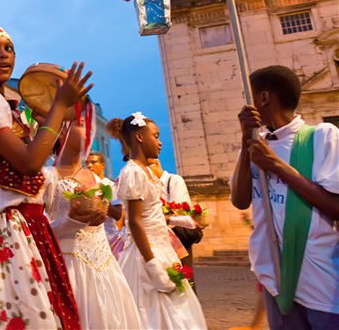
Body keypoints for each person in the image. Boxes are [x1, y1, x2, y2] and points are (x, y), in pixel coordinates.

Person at [0, 25, 89, 330]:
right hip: (3, 226)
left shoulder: (6, 106)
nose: (4, 54)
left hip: (25, 224)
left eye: (9, 48)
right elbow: (30, 163)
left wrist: (49, 117)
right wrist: (58, 106)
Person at [229, 65, 339, 329]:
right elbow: (240, 199)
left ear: (264, 98)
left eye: (249, 96)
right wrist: (247, 142)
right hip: (274, 278)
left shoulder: (322, 136)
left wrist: (276, 165)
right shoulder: (257, 143)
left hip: (320, 278)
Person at [44, 120, 143, 329]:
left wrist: (102, 209)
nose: (87, 127)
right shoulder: (47, 177)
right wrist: (70, 221)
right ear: (62, 131)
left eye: (87, 120)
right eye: (80, 122)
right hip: (70, 266)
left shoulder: (96, 178)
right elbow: (38, 233)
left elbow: (116, 213)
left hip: (105, 263)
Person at [112, 113, 207, 329]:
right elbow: (135, 222)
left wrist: (183, 221)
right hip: (147, 253)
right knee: (154, 312)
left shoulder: (147, 172)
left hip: (162, 248)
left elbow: (151, 214)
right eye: (155, 136)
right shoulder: (133, 172)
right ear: (139, 137)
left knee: (179, 310)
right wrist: (152, 263)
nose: (160, 142)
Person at [149, 157, 202, 284]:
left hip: (178, 239)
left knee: (183, 280)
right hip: (159, 240)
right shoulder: (149, 185)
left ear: (155, 164)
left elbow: (179, 212)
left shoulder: (173, 181)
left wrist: (155, 216)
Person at [86, 151, 124, 247]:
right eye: (86, 163)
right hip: (90, 241)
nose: (89, 166)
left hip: (110, 240)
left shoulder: (111, 186)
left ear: (103, 165)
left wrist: (99, 199)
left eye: (93, 162)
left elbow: (118, 214)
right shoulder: (83, 187)